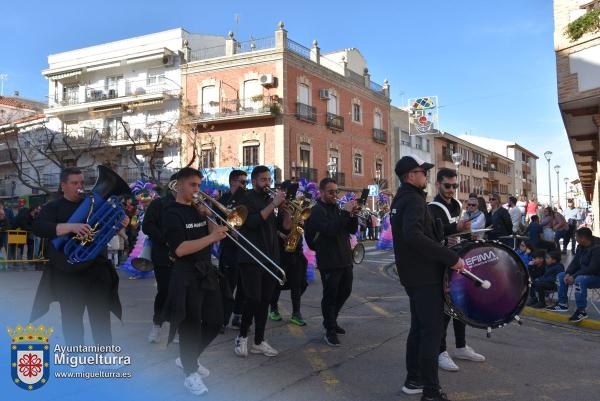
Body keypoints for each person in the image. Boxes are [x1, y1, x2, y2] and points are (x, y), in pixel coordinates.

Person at [391, 155, 464, 401]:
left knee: (419, 329)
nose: (426, 176)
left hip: (415, 275)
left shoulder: (404, 199)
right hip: (424, 276)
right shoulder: (412, 200)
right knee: (431, 333)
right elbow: (413, 235)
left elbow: (427, 231)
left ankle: (414, 380)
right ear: (410, 176)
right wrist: (449, 257)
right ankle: (431, 392)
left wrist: (456, 229)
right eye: (422, 172)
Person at [30, 167, 126, 349]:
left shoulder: (94, 204)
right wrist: (70, 227)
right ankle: (76, 355)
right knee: (71, 317)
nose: (80, 187)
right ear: (63, 186)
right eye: (74, 183)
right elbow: (39, 227)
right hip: (68, 272)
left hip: (96, 268)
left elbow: (106, 228)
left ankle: (105, 354)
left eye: (81, 183)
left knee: (101, 315)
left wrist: (119, 224)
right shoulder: (53, 207)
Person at [159, 167, 228, 396]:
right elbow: (180, 249)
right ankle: (190, 374)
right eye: (193, 185)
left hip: (205, 272)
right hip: (185, 275)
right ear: (179, 185)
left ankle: (188, 359)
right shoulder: (171, 213)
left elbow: (213, 234)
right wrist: (211, 237)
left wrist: (207, 217)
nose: (197, 190)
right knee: (190, 327)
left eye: (199, 185)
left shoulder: (198, 210)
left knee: (216, 321)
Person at [427, 169, 484, 373]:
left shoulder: (457, 205)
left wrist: (468, 235)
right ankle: (440, 352)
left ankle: (460, 347)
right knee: (444, 311)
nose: (451, 190)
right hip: (440, 265)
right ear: (438, 185)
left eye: (454, 186)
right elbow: (431, 239)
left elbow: (456, 232)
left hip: (456, 261)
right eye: (447, 186)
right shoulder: (433, 208)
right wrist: (451, 234)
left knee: (459, 306)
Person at [234, 165, 285, 358]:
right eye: (263, 180)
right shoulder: (245, 199)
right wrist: (273, 205)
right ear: (254, 181)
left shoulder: (268, 200)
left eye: (268, 180)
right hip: (251, 257)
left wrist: (285, 209)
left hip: (270, 256)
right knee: (252, 298)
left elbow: (281, 227)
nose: (267, 183)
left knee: (265, 300)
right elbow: (252, 222)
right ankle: (242, 336)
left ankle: (259, 340)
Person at [305, 177, 359, 346]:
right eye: (330, 192)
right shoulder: (317, 211)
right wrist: (344, 212)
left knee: (345, 290)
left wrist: (353, 215)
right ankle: (329, 329)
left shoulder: (337, 208)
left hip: (344, 257)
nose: (334, 195)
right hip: (329, 259)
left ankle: (331, 321)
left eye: (336, 191)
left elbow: (351, 229)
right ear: (321, 192)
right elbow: (329, 230)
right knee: (330, 295)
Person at [269, 180, 309, 327]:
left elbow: (301, 226)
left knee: (299, 284)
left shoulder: (297, 206)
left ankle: (296, 313)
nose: (297, 194)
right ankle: (273, 308)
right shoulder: (277, 206)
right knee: (277, 284)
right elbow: (282, 226)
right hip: (281, 251)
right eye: (292, 191)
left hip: (296, 250)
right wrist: (281, 231)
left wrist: (301, 220)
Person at [144, 175, 176, 343]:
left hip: (185, 257)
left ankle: (177, 329)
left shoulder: (192, 206)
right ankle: (157, 325)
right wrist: (166, 238)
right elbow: (147, 225)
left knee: (182, 294)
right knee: (164, 292)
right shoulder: (158, 204)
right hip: (163, 256)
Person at [547, 227, 600, 322]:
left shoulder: (597, 248)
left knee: (579, 280)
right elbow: (575, 262)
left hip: (596, 276)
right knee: (561, 275)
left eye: (577, 237)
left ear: (583, 238)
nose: (575, 239)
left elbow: (593, 268)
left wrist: (574, 276)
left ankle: (581, 311)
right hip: (583, 274)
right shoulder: (581, 246)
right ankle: (562, 304)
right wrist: (568, 273)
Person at [218, 169, 248, 329]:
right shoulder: (223, 199)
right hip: (229, 248)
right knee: (228, 286)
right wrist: (229, 230)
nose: (245, 185)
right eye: (242, 182)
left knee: (244, 286)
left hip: (244, 249)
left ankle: (238, 316)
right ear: (233, 182)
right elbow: (216, 222)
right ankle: (222, 319)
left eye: (246, 182)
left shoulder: (247, 199)